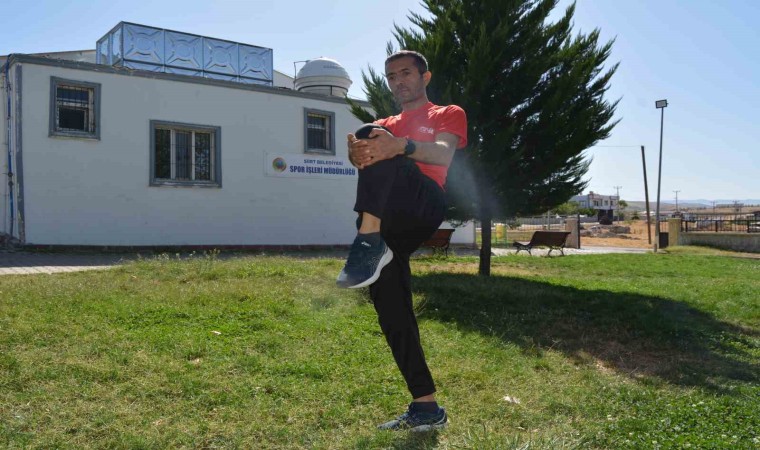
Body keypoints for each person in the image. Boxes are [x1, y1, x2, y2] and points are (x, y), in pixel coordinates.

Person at [336, 50, 467, 431]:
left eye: (406, 73)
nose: (398, 81)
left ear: (425, 77)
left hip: (424, 201)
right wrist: (357, 154)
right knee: (392, 310)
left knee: (384, 142)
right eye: (392, 77)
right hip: (386, 218)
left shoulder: (447, 113)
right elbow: (367, 162)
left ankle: (366, 242)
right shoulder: (384, 123)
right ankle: (426, 408)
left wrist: (400, 146)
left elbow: (442, 155)